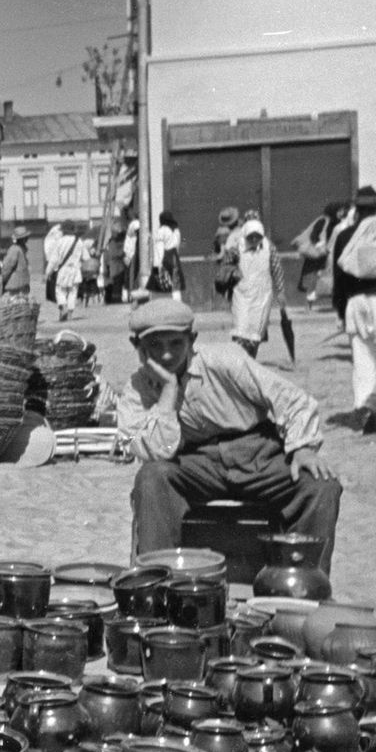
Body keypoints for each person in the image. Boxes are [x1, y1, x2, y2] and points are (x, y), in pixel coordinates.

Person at [117, 298, 339, 574]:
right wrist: (168, 393)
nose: (165, 355)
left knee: (320, 485)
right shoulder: (135, 391)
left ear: (192, 339)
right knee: (151, 478)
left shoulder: (225, 360)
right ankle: (157, 582)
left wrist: (303, 449)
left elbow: (290, 399)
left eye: (175, 343)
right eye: (154, 346)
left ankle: (304, 581)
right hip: (195, 465)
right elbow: (154, 451)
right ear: (136, 347)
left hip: (259, 454)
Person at [332, 185, 376, 432]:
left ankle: (364, 410)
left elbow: (338, 278)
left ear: (357, 209)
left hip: (355, 302)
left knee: (362, 360)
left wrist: (340, 310)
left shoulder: (345, 236)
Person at [225, 211, 285, 358]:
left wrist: (281, 291)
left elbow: (277, 269)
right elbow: (225, 267)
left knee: (255, 332)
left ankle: (250, 359)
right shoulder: (236, 247)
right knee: (240, 328)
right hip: (242, 295)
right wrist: (232, 274)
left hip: (262, 296)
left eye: (257, 236)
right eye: (250, 236)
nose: (253, 239)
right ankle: (240, 360)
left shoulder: (269, 247)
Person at [294, 202, 343, 312]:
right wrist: (320, 246)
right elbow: (314, 235)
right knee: (312, 280)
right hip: (316, 256)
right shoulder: (323, 220)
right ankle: (307, 306)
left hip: (326, 255)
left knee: (327, 280)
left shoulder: (337, 223)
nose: (341, 213)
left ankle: (334, 305)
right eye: (339, 211)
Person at [51, 227, 90, 322]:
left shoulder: (59, 242)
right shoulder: (79, 241)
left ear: (63, 230)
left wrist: (50, 270)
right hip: (75, 270)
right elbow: (86, 257)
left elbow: (54, 259)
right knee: (73, 292)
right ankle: (70, 314)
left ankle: (63, 306)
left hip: (63, 270)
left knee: (60, 291)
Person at [151, 211, 184, 297]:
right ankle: (177, 303)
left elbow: (159, 248)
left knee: (163, 283)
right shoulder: (176, 230)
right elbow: (177, 246)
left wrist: (156, 265)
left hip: (165, 257)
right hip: (174, 256)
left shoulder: (162, 231)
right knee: (175, 282)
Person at [0, 226, 32, 301]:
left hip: (19, 285)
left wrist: (3, 279)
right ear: (23, 239)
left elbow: (6, 267)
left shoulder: (18, 249)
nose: (27, 239)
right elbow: (8, 267)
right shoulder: (17, 250)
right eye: (26, 237)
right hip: (19, 285)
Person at [101, 219, 129, 305]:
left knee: (116, 283)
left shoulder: (112, 242)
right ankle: (116, 299)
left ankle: (114, 299)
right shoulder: (113, 242)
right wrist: (123, 253)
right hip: (116, 265)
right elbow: (115, 253)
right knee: (116, 283)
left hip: (115, 265)